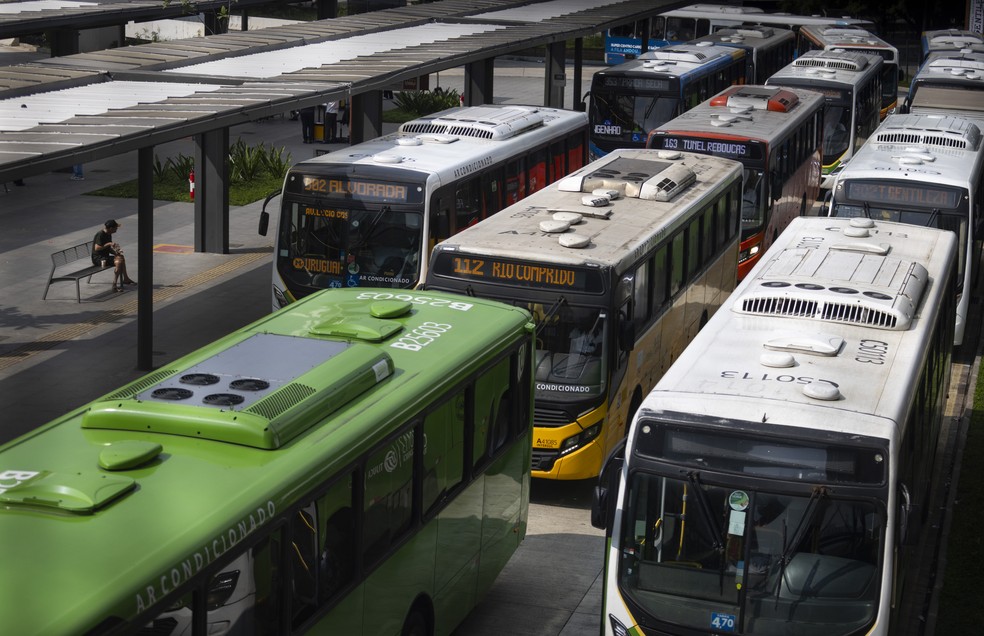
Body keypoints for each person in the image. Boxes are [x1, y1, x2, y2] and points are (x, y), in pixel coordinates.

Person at [92, 219, 136, 292]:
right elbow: (97, 248)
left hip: (104, 257)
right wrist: (109, 244)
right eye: (116, 228)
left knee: (120, 257)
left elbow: (108, 249)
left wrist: (116, 252)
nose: (117, 229)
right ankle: (114, 285)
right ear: (111, 228)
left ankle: (126, 278)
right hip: (98, 259)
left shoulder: (109, 234)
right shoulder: (100, 234)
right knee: (118, 261)